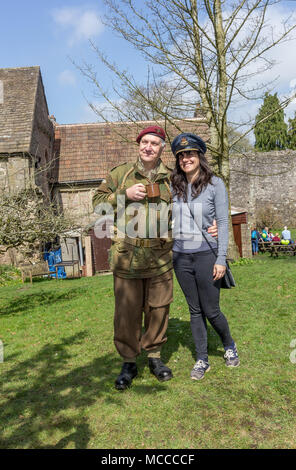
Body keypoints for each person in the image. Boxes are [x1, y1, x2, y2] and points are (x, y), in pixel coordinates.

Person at [92, 126, 218, 391]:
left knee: (159, 309)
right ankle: (128, 361)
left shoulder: (174, 178)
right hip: (127, 257)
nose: (148, 147)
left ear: (162, 149)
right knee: (126, 313)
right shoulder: (120, 174)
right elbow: (97, 203)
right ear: (138, 145)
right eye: (144, 142)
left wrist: (212, 222)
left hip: (160, 257)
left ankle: (154, 358)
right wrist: (123, 196)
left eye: (154, 143)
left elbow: (194, 205)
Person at [170, 133, 240, 381]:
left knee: (211, 310)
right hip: (180, 257)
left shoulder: (215, 184)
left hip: (206, 255)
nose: (185, 159)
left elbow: (222, 221)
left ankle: (229, 344)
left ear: (199, 155)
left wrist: (221, 258)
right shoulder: (173, 185)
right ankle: (202, 359)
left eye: (190, 153)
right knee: (194, 310)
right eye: (181, 155)